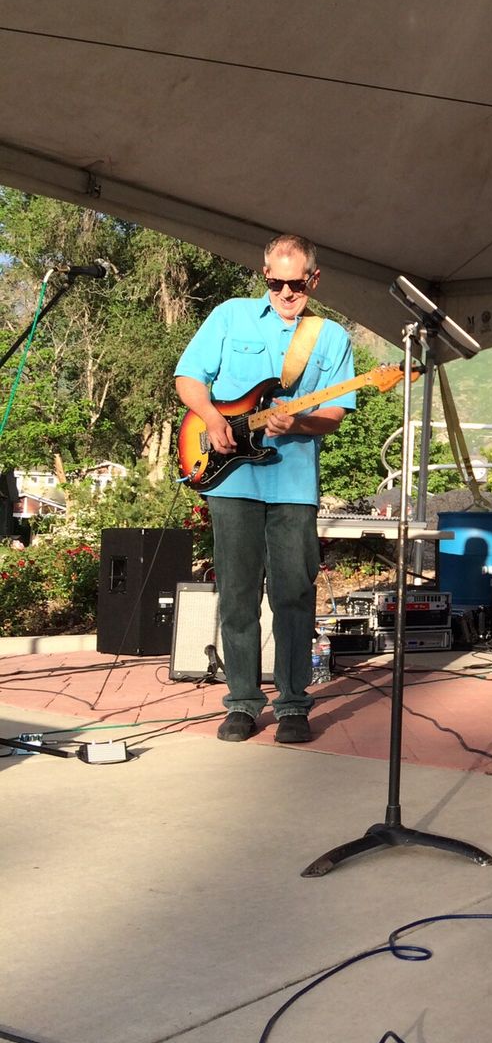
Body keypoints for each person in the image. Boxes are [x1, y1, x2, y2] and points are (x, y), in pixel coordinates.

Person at [174, 234, 355, 743]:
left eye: (296, 284)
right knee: (237, 593)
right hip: (231, 478)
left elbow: (334, 414)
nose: (286, 293)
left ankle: (293, 704)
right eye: (276, 283)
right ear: (265, 275)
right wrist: (212, 418)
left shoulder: (330, 336)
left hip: (293, 483)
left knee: (294, 594)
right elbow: (188, 377)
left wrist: (297, 423)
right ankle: (242, 702)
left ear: (314, 280)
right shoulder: (231, 315)